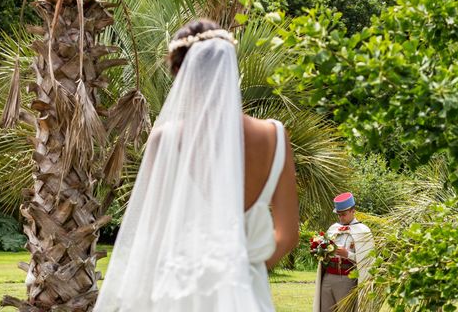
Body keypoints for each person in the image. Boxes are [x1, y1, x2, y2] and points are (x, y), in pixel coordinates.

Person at [94, 19, 299, 312]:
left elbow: (149, 236)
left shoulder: (166, 139)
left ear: (180, 73)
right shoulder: (274, 135)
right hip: (248, 294)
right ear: (229, 66)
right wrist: (238, 273)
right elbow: (288, 235)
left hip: (181, 294)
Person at [313, 192, 374, 312]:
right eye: (339, 215)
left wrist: (347, 255)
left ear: (353, 210)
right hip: (328, 277)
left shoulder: (363, 231)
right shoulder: (333, 228)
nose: (341, 218)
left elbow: (368, 261)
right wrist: (320, 251)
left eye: (344, 214)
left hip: (347, 279)